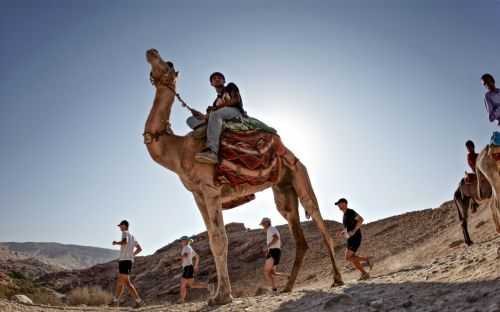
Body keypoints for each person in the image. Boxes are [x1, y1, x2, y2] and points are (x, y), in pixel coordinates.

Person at [186, 72, 245, 164]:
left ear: (224, 80)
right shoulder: (215, 102)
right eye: (214, 79)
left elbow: (236, 100)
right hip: (218, 117)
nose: (217, 79)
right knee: (190, 120)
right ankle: (203, 129)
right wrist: (199, 115)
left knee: (215, 114)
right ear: (211, 84)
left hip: (235, 113)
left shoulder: (230, 87)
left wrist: (216, 108)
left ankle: (212, 152)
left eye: (219, 78)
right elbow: (208, 117)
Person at [334, 198, 372, 281]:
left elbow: (361, 220)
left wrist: (354, 231)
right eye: (338, 205)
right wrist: (341, 233)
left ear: (344, 204)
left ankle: (366, 260)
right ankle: (364, 273)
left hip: (355, 237)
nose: (338, 206)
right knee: (351, 257)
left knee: (348, 258)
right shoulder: (344, 215)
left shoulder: (350, 212)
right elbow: (347, 228)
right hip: (350, 239)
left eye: (339, 204)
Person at [110, 220, 144, 308]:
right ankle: (115, 301)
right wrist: (132, 255)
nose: (120, 228)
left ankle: (138, 301)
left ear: (124, 226)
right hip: (127, 261)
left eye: (120, 226)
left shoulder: (125, 233)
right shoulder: (133, 236)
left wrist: (116, 243)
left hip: (125, 261)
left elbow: (124, 242)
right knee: (123, 282)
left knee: (124, 282)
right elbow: (140, 248)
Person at [260, 217, 288, 294]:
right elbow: (278, 240)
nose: (263, 226)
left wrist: (268, 246)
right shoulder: (272, 229)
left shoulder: (271, 229)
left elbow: (276, 238)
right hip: (276, 251)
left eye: (263, 224)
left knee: (266, 272)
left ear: (267, 223)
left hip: (273, 251)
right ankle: (288, 277)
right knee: (272, 272)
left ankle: (274, 289)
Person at [179, 236, 209, 303]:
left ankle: (182, 299)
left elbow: (185, 255)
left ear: (186, 241)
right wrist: (195, 266)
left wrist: (181, 257)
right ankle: (208, 286)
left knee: (183, 284)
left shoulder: (186, 247)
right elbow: (197, 256)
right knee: (192, 285)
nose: (181, 242)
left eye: (182, 240)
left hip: (187, 268)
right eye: (181, 241)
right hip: (190, 267)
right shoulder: (190, 248)